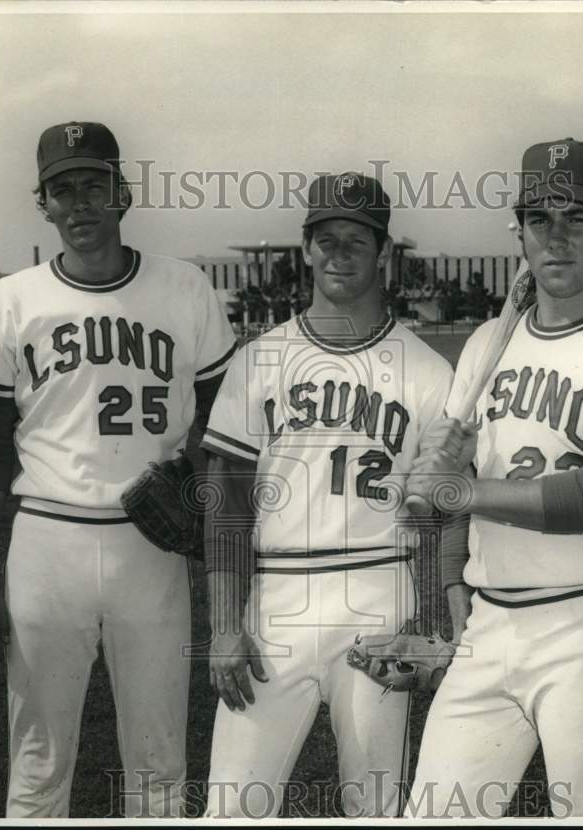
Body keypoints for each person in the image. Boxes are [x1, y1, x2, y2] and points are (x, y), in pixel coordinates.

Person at [405, 138, 583, 818]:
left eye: (577, 219)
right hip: (489, 621)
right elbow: (458, 479)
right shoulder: (486, 342)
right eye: (540, 220)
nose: (556, 238)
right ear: (520, 232)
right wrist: (453, 585)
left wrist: (462, 492)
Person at [0, 121, 237, 818]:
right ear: (43, 204)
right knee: (40, 760)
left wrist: (203, 498)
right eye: (62, 190)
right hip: (48, 544)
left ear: (123, 195)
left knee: (160, 760)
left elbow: (226, 427)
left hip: (152, 546)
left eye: (94, 186)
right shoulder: (11, 301)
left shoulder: (185, 288)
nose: (79, 204)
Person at [200, 173, 454, 818]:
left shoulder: (428, 370)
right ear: (306, 248)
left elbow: (439, 514)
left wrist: (426, 623)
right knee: (231, 806)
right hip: (276, 597)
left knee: (374, 806)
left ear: (382, 251)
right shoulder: (259, 361)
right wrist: (226, 625)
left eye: (358, 241)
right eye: (327, 238)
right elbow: (225, 501)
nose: (341, 253)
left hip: (379, 593)